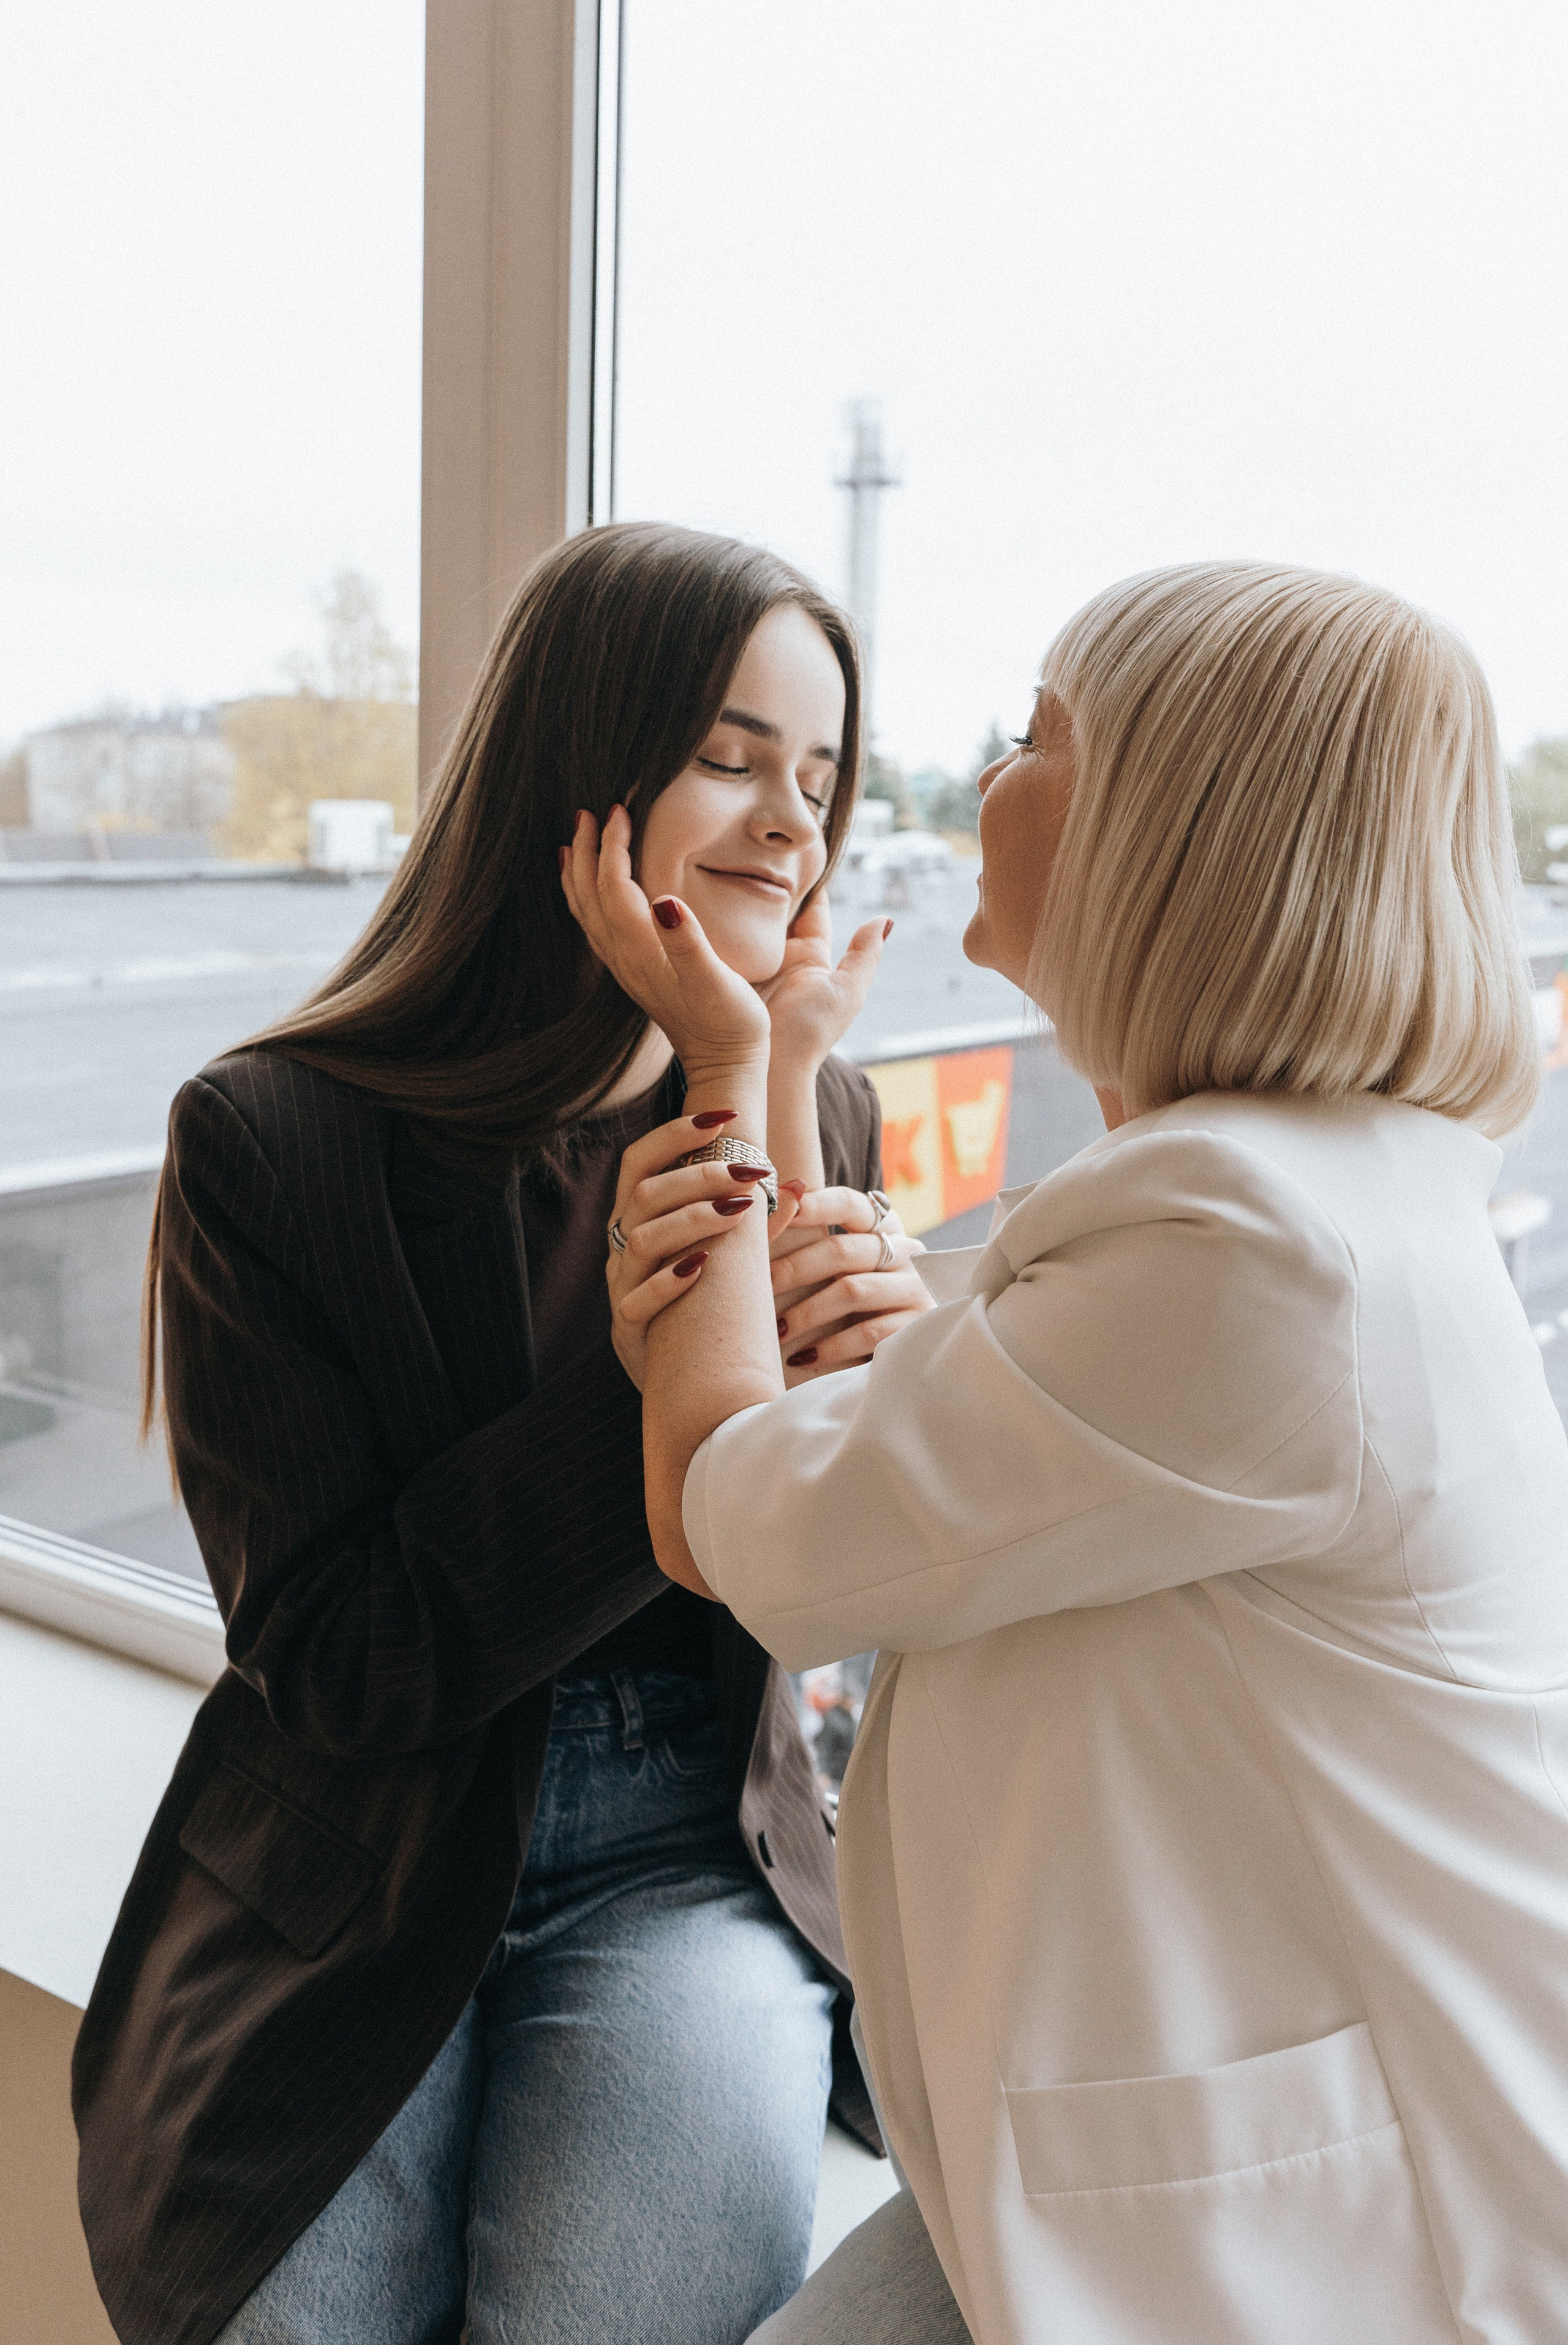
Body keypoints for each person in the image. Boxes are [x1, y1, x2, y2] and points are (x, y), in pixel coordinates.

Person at [581, 562, 1568, 2344]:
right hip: (1187, 2140)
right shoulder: (1302, 1192)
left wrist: (724, 1073)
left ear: (1176, 832)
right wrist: (928, 1326)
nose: (986, 776)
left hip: (1339, 2231)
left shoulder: (1252, 1242)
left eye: (1040, 737)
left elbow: (746, 1523)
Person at [70, 523, 933, 2345]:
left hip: (692, 1851)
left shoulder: (817, 1106)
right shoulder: (274, 1137)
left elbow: (836, 1592)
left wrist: (897, 1387)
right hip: (359, 1851)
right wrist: (663, 1370)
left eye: (823, 777)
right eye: (728, 752)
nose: (795, 821)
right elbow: (343, 1665)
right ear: (579, 770)